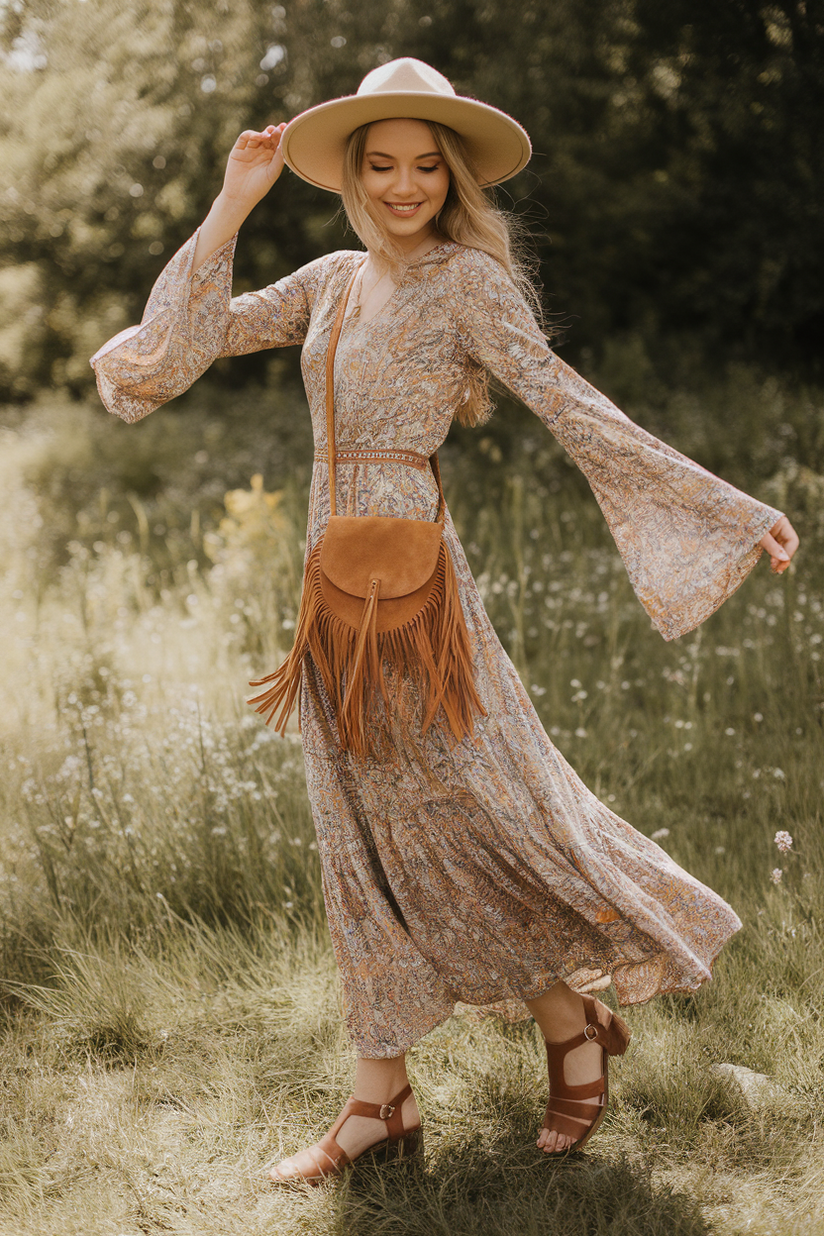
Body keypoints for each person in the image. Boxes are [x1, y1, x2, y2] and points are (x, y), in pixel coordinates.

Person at [91, 58, 799, 1180]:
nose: (405, 184)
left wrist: (723, 509)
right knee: (358, 826)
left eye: (427, 165)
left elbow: (569, 402)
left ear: (452, 177)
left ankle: (566, 1019)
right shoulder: (325, 279)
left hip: (420, 593)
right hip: (330, 587)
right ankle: (383, 1099)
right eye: (382, 164)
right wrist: (233, 200)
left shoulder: (468, 284)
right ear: (354, 176)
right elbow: (173, 352)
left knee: (474, 806)